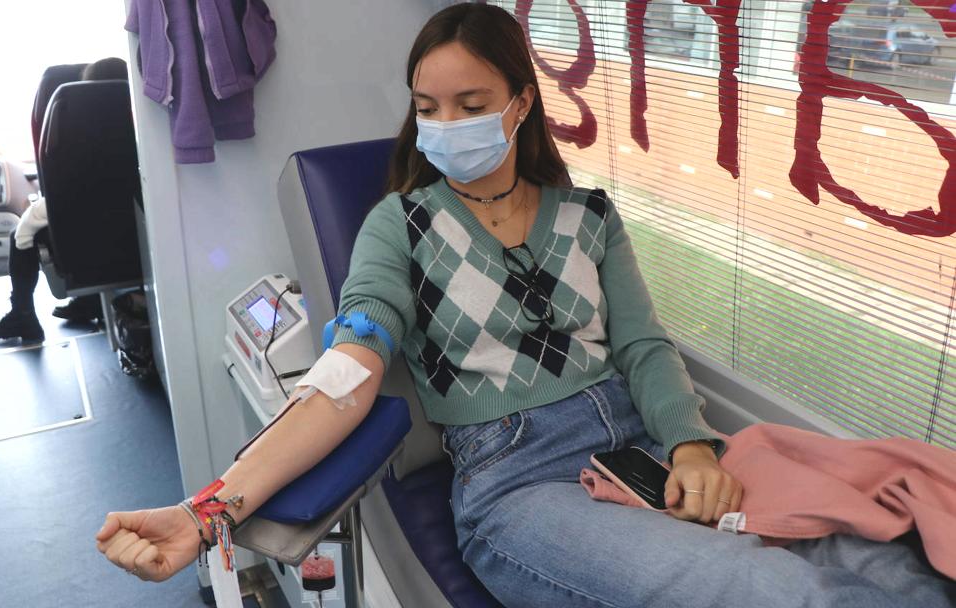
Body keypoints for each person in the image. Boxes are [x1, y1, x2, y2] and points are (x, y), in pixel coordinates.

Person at [96, 5, 954, 606]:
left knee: (871, 553)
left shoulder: (589, 217)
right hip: (518, 486)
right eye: (428, 108)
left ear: (519, 104)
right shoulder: (400, 225)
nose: (445, 126)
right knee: (772, 591)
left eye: (471, 106)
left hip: (641, 445)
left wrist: (692, 445)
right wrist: (206, 509)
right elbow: (344, 375)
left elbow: (647, 349)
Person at [0, 57, 128, 343]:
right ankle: (90, 302)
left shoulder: (74, 147)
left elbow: (49, 211)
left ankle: (22, 314)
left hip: (87, 253)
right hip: (131, 246)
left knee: (19, 233)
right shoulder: (138, 135)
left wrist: (26, 228)